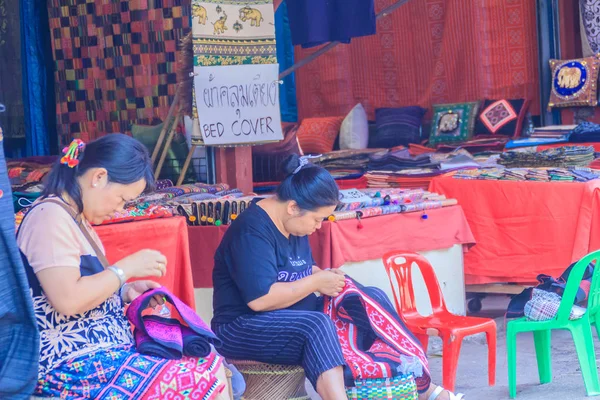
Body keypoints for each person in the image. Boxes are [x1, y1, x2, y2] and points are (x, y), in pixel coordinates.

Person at [211, 154, 465, 400]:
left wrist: (329, 278)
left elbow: (303, 270)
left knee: (366, 299)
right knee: (317, 326)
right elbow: (261, 300)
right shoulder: (251, 232)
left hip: (284, 313)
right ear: (292, 207)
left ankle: (420, 385)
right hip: (240, 326)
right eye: (317, 219)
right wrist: (317, 282)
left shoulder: (294, 224)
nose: (319, 226)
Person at [18, 134, 229, 399]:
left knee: (210, 361)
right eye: (121, 198)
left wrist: (126, 289)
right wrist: (124, 269)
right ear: (98, 177)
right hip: (68, 364)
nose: (119, 209)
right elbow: (68, 300)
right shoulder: (49, 218)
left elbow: (83, 287)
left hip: (102, 354)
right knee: (195, 379)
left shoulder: (75, 220)